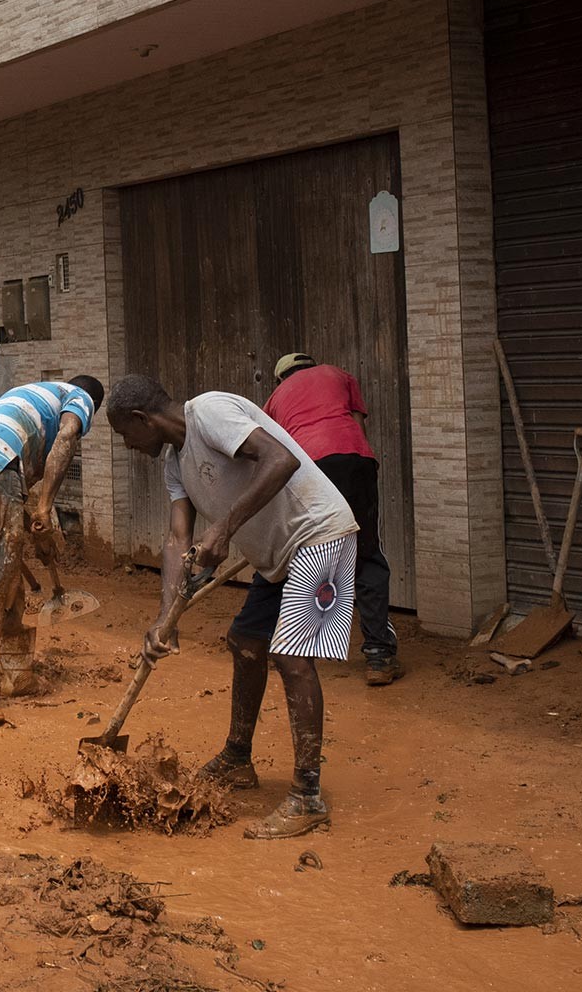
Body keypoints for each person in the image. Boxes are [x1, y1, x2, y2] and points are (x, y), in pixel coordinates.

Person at [104, 374, 358, 840]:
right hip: (277, 557)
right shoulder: (175, 465)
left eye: (125, 434)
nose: (127, 446)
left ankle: (307, 796)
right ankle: (238, 758)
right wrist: (165, 619)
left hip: (319, 533)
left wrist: (223, 527)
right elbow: (178, 538)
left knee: (292, 656)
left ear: (142, 419)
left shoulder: (210, 412)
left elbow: (280, 459)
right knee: (245, 641)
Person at [0, 375, 104, 724]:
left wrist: (33, 525)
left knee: (2, 574)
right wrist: (44, 509)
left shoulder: (30, 397)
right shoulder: (80, 397)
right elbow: (68, 436)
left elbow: (18, 482)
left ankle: (17, 677)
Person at [265, 353, 403, 686]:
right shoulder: (339, 375)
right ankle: (379, 655)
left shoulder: (275, 398)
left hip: (309, 468)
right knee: (366, 552)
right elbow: (358, 425)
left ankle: (289, 647)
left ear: (281, 378)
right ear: (312, 367)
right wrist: (362, 470)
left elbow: (275, 449)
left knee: (304, 556)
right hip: (355, 460)